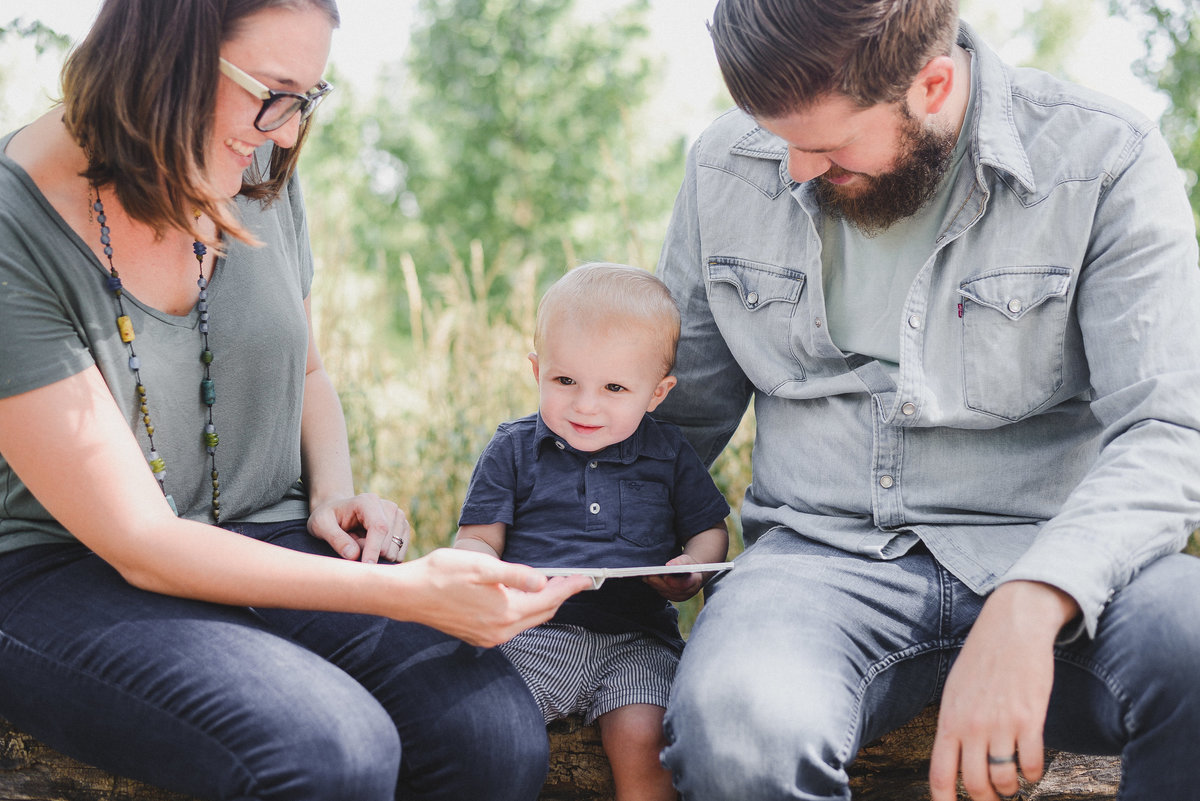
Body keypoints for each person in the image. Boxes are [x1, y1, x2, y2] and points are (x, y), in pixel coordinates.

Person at [0, 2, 591, 800]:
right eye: (273, 92)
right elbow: (140, 540)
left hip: (264, 531)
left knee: (488, 734)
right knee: (329, 749)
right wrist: (408, 591)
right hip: (67, 569)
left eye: (306, 100)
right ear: (164, 53)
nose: (283, 133)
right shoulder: (13, 227)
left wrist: (334, 490)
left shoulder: (254, 161)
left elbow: (307, 373)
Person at [652, 1, 1200, 800]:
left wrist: (1034, 598)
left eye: (827, 144)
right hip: (813, 563)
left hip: (1055, 547)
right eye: (781, 139)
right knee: (737, 731)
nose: (796, 171)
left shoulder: (1105, 158)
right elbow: (675, 421)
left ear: (933, 82)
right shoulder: (722, 167)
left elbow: (1167, 429)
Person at [454, 263, 730, 801]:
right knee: (486, 728)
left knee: (645, 742)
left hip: (636, 639)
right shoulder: (513, 449)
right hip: (533, 634)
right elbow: (477, 537)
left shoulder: (669, 453)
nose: (585, 405)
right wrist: (483, 568)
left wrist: (692, 568)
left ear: (656, 392)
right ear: (536, 370)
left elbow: (709, 530)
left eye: (614, 387)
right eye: (564, 381)